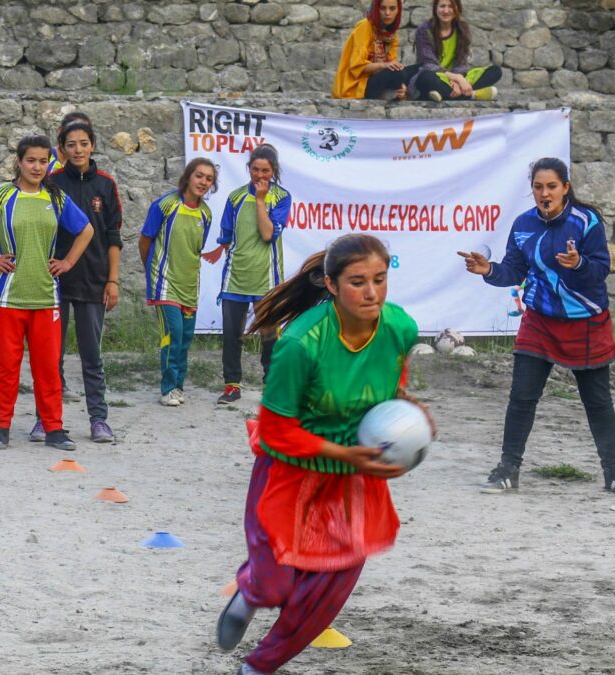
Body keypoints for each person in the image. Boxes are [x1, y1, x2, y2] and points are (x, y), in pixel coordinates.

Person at [215, 234, 424, 675]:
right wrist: (347, 455)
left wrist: (409, 412)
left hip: (353, 481)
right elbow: (275, 430)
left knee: (325, 594)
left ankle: (258, 667)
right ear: (330, 285)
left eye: (380, 280)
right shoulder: (301, 343)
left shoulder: (399, 327)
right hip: (289, 471)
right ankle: (251, 591)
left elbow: (393, 380)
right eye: (357, 282)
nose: (371, 293)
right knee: (277, 584)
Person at [460, 158, 615, 496]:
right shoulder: (523, 224)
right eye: (538, 187)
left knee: (597, 402)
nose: (544, 193)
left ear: (565, 188)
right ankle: (507, 471)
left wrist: (579, 263)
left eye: (551, 186)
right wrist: (489, 270)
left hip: (586, 322)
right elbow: (514, 271)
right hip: (539, 319)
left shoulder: (587, 221)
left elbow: (600, 270)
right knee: (521, 397)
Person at [0, 134, 94, 451]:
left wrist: (69, 261)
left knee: (48, 368)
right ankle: (1, 428)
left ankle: (54, 429)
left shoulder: (56, 198)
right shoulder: (1, 196)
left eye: (43, 161)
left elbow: (86, 229)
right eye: (31, 160)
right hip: (8, 298)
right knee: (6, 368)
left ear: (50, 163)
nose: (37, 166)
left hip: (47, 298)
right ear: (19, 161)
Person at [33, 120, 122, 444]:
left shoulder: (106, 185)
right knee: (49, 356)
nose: (78, 149)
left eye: (84, 143)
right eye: (71, 144)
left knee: (91, 355)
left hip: (94, 281)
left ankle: (99, 419)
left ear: (92, 145)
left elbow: (113, 236)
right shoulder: (51, 182)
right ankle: (45, 420)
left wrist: (112, 280)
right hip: (53, 283)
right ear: (62, 149)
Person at [201, 144, 291, 405]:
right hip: (236, 278)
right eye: (255, 169)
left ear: (273, 171)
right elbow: (226, 236)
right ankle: (231, 386)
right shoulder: (236, 197)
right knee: (232, 335)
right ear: (248, 169)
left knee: (270, 336)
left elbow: (267, 234)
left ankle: (271, 386)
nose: (260, 175)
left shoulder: (281, 197)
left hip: (267, 280)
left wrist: (261, 200)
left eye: (265, 170)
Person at [139, 158, 216, 407]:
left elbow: (196, 249)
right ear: (188, 176)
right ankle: (168, 388)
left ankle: (179, 387)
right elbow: (145, 240)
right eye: (199, 176)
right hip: (165, 283)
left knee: (185, 339)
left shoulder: (205, 213)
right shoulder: (165, 205)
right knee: (172, 334)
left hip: (189, 285)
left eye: (209, 179)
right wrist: (152, 270)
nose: (203, 182)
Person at [409, 0, 501, 101]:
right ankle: (472, 95)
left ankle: (444, 93)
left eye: (451, 6)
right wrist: (455, 78)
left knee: (495, 71)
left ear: (457, 9)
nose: (446, 10)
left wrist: (459, 80)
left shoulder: (462, 29)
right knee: (425, 78)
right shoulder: (424, 30)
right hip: (435, 75)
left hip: (458, 75)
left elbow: (462, 63)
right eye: (442, 6)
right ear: (435, 9)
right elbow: (429, 64)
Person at [332, 0, 418, 100]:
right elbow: (356, 66)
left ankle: (398, 93)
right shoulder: (365, 26)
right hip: (357, 85)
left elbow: (393, 64)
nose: (387, 13)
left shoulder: (392, 35)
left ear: (398, 11)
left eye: (392, 8)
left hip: (377, 78)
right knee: (397, 72)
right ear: (376, 9)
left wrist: (401, 86)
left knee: (414, 69)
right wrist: (383, 65)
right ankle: (391, 94)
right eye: (383, 8)